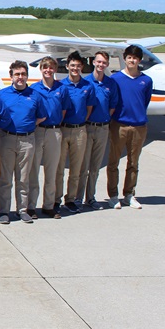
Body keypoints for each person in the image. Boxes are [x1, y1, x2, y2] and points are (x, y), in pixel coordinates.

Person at [0, 61, 46, 224]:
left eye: (23, 74)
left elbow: (42, 116)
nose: (20, 77)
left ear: (27, 77)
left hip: (28, 140)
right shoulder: (2, 95)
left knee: (23, 177)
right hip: (7, 139)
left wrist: (28, 126)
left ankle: (22, 209)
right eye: (17, 74)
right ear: (11, 76)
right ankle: (3, 211)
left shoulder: (35, 95)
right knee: (5, 177)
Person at [106, 45, 152, 210]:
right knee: (113, 162)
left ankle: (129, 194)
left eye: (136, 58)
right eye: (130, 57)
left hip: (139, 126)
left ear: (139, 61)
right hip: (119, 125)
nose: (132, 60)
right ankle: (112, 195)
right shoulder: (116, 79)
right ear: (125, 58)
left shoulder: (146, 81)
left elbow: (144, 101)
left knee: (133, 163)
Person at [29, 57, 68, 219]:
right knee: (34, 170)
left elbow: (64, 110)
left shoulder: (62, 88)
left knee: (52, 170)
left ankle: (49, 205)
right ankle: (31, 206)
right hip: (38, 131)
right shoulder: (34, 88)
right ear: (41, 69)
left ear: (55, 69)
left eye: (51, 68)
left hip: (54, 131)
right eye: (45, 68)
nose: (48, 70)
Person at [79, 51, 119, 210]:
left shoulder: (111, 84)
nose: (101, 65)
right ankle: (77, 198)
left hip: (102, 128)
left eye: (104, 63)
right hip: (87, 127)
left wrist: (103, 121)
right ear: (93, 62)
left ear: (107, 65)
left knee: (95, 166)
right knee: (83, 166)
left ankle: (90, 197)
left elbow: (112, 106)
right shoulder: (86, 82)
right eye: (98, 62)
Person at [57, 51, 95, 214]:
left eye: (78, 66)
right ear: (67, 67)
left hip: (80, 130)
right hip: (62, 129)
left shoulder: (87, 86)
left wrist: (79, 123)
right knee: (58, 167)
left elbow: (89, 109)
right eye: (72, 65)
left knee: (76, 168)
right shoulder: (60, 86)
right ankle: (56, 199)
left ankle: (71, 198)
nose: (75, 68)